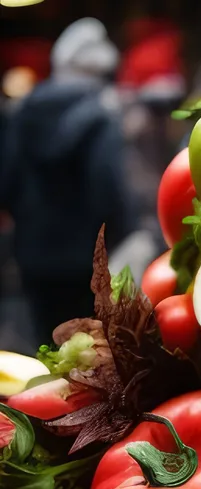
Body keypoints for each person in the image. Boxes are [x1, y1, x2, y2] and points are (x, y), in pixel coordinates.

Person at [0, 18, 132, 341]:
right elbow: (107, 191)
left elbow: (7, 183)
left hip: (33, 257)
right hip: (85, 264)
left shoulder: (23, 110)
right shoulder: (101, 116)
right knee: (85, 357)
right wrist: (121, 234)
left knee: (45, 349)